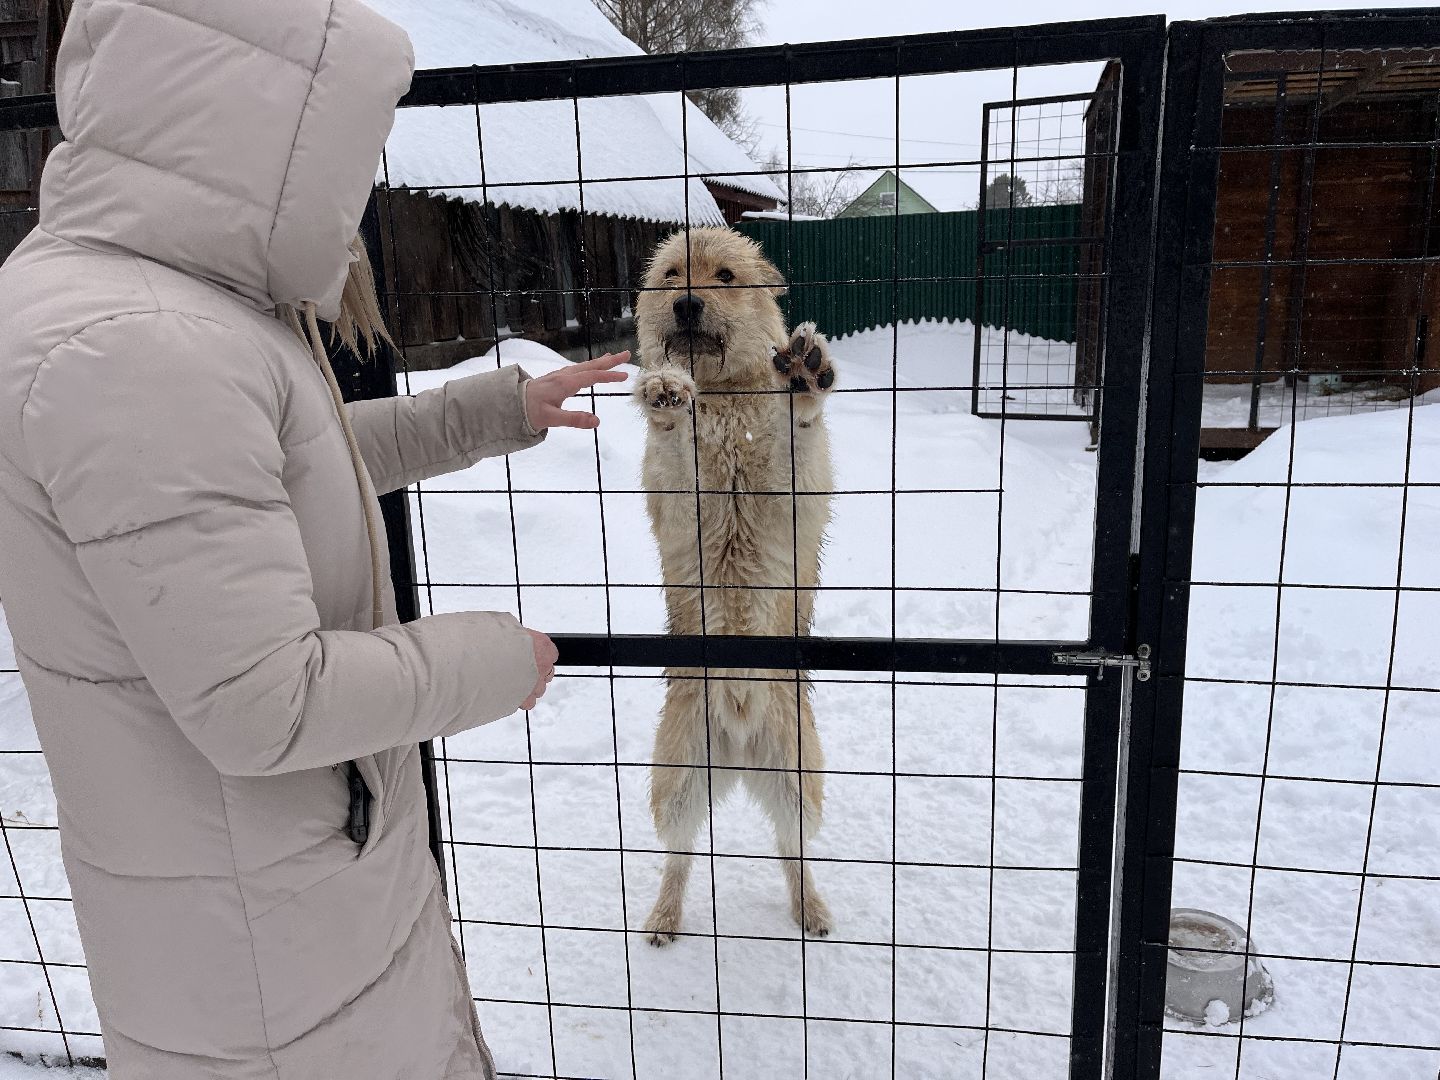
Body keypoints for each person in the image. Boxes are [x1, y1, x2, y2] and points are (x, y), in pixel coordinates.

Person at [0, 1, 628, 1076]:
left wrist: (490, 413)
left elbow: (287, 476)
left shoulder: (158, 305)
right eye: (353, 132)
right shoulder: (141, 348)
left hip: (268, 900)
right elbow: (264, 701)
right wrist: (491, 660)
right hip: (268, 961)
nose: (368, 170)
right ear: (268, 123)